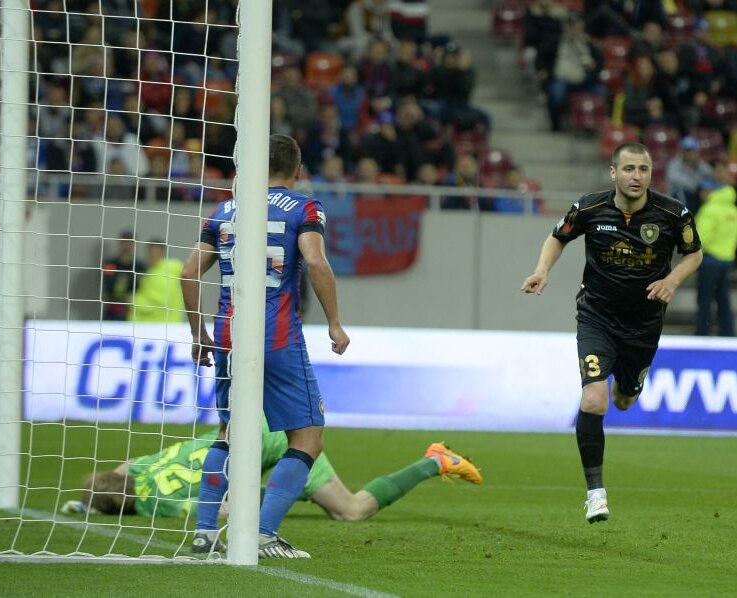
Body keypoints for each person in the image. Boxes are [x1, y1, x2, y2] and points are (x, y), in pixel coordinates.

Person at [180, 134, 350, 559]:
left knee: (229, 431)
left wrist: (198, 334)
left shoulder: (225, 210)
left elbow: (187, 273)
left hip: (228, 334)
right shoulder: (304, 207)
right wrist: (334, 322)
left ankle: (204, 533)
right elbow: (315, 261)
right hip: (277, 335)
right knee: (307, 437)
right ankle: (262, 532)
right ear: (298, 170)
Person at [520, 142, 703, 524]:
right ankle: (595, 494)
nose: (637, 176)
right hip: (596, 318)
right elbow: (558, 236)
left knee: (623, 400)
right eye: (629, 168)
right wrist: (542, 270)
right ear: (613, 172)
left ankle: (629, 382)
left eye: (643, 169)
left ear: (651, 173)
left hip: (643, 325)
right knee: (594, 399)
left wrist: (672, 280)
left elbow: (694, 253)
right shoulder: (590, 208)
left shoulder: (673, 213)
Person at [61, 425, 482, 532]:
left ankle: (435, 461)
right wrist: (91, 496)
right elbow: (122, 468)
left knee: (352, 510)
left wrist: (95, 505)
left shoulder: (155, 503)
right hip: (249, 421)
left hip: (276, 444)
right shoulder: (141, 466)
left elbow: (225, 509)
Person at [694, 159, 737, 336]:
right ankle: (728, 334)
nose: (702, 193)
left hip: (710, 260)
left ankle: (701, 334)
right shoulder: (732, 210)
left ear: (711, 191)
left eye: (705, 190)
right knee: (723, 299)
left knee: (704, 300)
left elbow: (701, 238)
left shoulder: (710, 209)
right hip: (726, 260)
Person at [128, 239, 185, 323]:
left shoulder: (165, 274)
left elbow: (158, 302)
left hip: (158, 325)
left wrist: (133, 300)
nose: (151, 255)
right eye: (149, 252)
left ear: (162, 253)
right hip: (156, 324)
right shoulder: (153, 271)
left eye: (155, 252)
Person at [101, 233, 146, 321]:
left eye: (130, 243)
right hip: (113, 311)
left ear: (134, 245)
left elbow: (143, 288)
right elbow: (109, 285)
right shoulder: (110, 264)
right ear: (120, 244)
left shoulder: (140, 266)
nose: (127, 247)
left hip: (135, 311)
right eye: (124, 243)